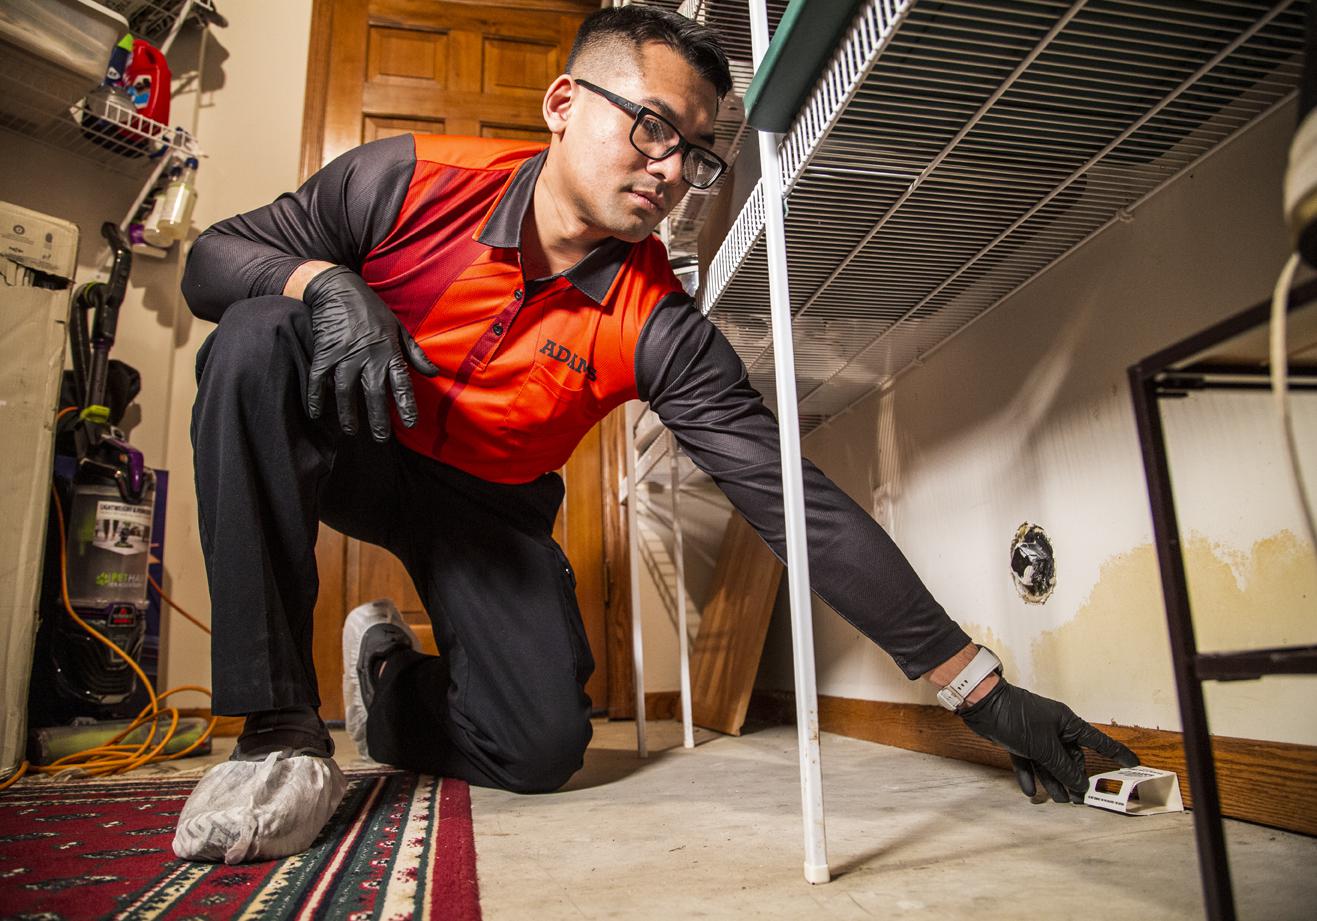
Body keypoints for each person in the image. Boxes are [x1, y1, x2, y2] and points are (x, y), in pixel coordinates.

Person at [175, 5, 1137, 861]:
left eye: (696, 152)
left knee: (541, 748)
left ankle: (387, 680)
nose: (673, 171)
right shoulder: (407, 179)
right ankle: (276, 730)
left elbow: (792, 502)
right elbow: (212, 259)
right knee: (257, 335)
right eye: (651, 128)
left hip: (486, 509)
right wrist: (323, 282)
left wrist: (979, 690)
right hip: (357, 439)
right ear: (563, 103)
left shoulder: (659, 325)